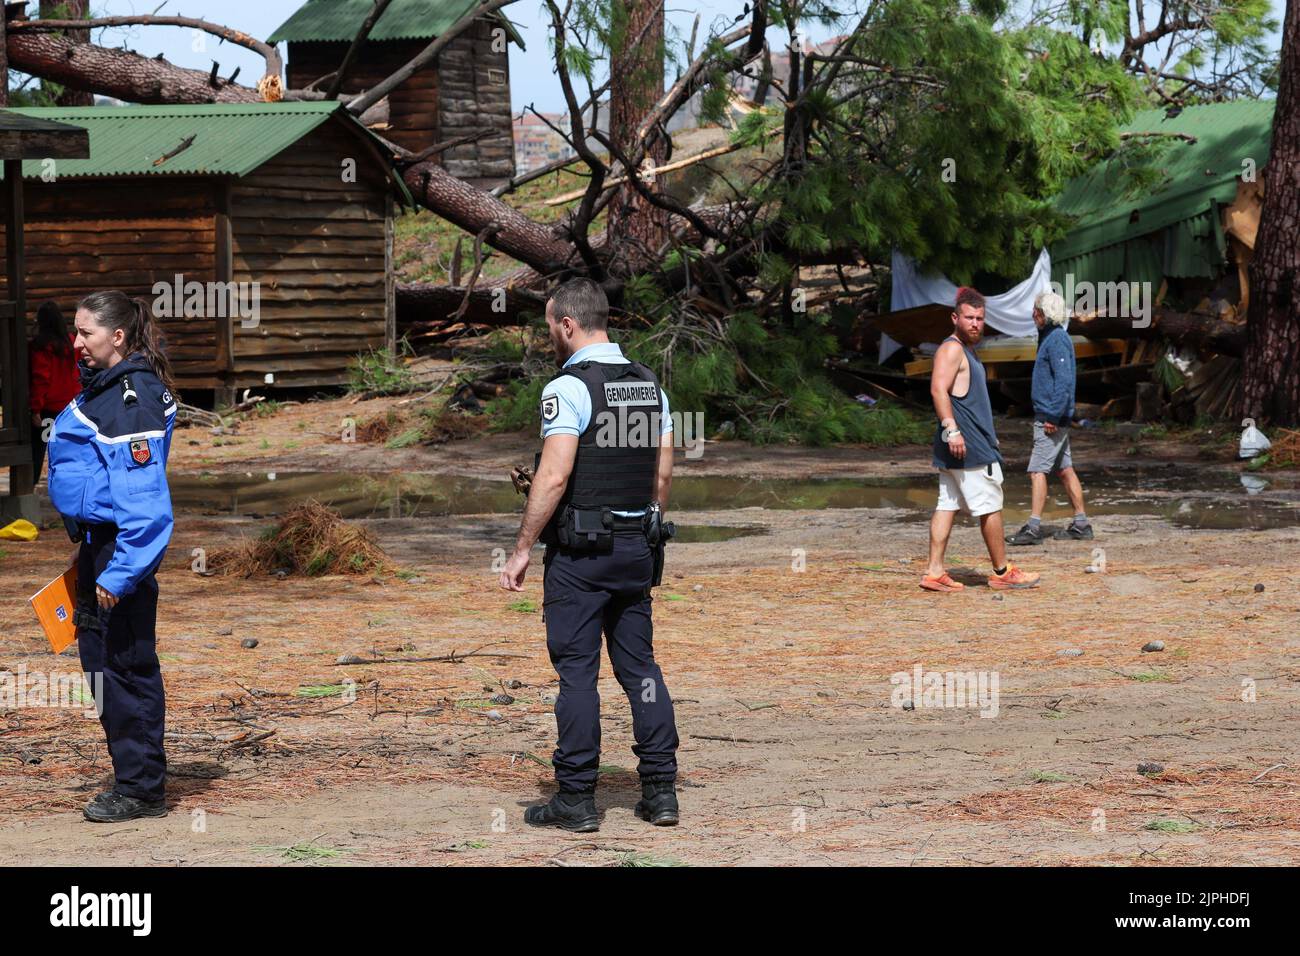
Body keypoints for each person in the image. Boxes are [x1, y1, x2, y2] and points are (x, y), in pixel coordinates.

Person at [499, 278, 680, 832]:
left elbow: (554, 477)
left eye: (551, 326)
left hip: (581, 556)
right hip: (635, 551)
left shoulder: (569, 387)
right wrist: (638, 526)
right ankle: (661, 792)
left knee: (578, 675)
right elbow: (662, 474)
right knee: (641, 669)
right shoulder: (650, 385)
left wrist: (523, 547)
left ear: (569, 325)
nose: (551, 335)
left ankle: (576, 799)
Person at [46, 290, 177, 823]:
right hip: (99, 546)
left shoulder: (130, 399)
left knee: (124, 667)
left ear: (116, 337)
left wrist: (120, 573)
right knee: (103, 666)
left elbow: (147, 505)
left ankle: (142, 789)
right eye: (75, 332)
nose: (75, 342)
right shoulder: (107, 390)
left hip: (120, 552)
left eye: (86, 333)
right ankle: (134, 776)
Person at [922, 287, 1040, 592]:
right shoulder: (952, 349)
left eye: (979, 318)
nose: (975, 323)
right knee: (990, 505)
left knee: (947, 504)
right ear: (955, 317)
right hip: (967, 446)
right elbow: (938, 389)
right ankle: (1002, 571)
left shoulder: (967, 350)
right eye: (969, 317)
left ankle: (934, 572)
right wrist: (952, 430)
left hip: (965, 444)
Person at [1007, 291, 1093, 544]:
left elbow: (1064, 382)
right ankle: (1081, 524)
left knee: (1037, 471)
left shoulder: (1056, 339)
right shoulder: (1051, 337)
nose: (1033, 314)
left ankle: (1033, 528)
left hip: (1051, 419)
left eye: (1037, 310)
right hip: (1055, 416)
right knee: (1065, 470)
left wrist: (1053, 416)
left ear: (1045, 314)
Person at [28, 300, 81, 481]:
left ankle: (32, 484)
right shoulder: (71, 342)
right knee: (66, 446)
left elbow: (41, 379)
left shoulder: (41, 347)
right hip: (70, 407)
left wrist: (35, 409)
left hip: (49, 409)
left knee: (39, 448)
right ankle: (70, 484)